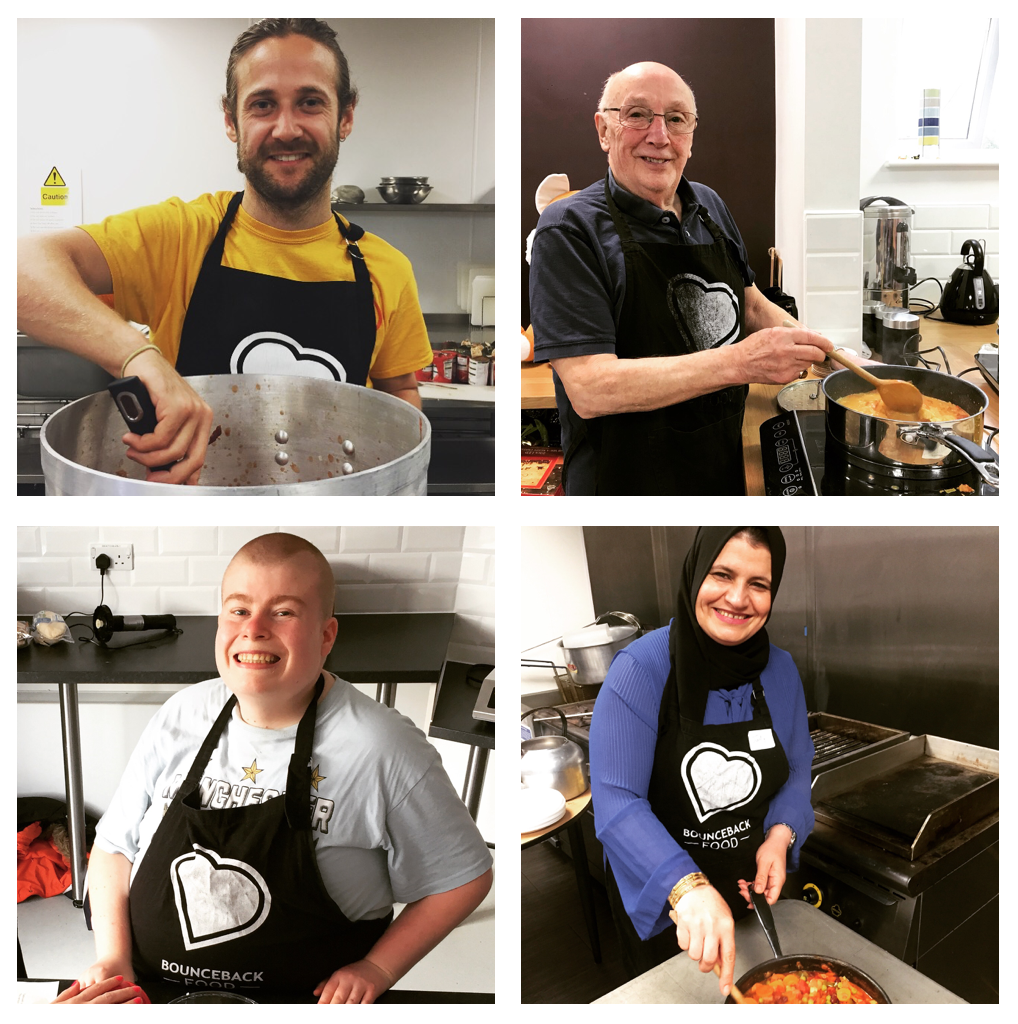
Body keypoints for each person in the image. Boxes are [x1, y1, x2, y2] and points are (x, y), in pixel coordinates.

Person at [77, 533, 492, 1004]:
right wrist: (112, 959)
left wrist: (377, 967)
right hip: (151, 992)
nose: (253, 629)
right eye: (238, 609)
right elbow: (114, 846)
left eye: (284, 612)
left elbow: (463, 878)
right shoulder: (180, 714)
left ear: (326, 635)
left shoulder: (384, 747)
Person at [17, 19, 432, 485]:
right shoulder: (181, 236)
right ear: (232, 121)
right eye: (262, 105)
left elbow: (400, 393)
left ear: (346, 116)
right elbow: (19, 269)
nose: (286, 128)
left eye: (310, 102)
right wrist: (138, 357)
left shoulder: (386, 269)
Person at [528, 61, 835, 495]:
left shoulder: (708, 205)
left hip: (717, 467)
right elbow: (590, 388)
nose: (660, 136)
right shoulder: (568, 229)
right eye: (637, 115)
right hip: (625, 487)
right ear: (603, 130)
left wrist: (839, 360)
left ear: (691, 134)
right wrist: (743, 362)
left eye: (676, 119)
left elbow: (748, 304)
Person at [588, 527, 814, 998]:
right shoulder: (640, 669)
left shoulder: (782, 670)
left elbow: (796, 767)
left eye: (759, 584)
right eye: (722, 574)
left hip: (748, 886)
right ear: (695, 574)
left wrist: (780, 834)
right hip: (667, 895)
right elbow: (616, 800)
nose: (738, 597)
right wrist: (687, 886)